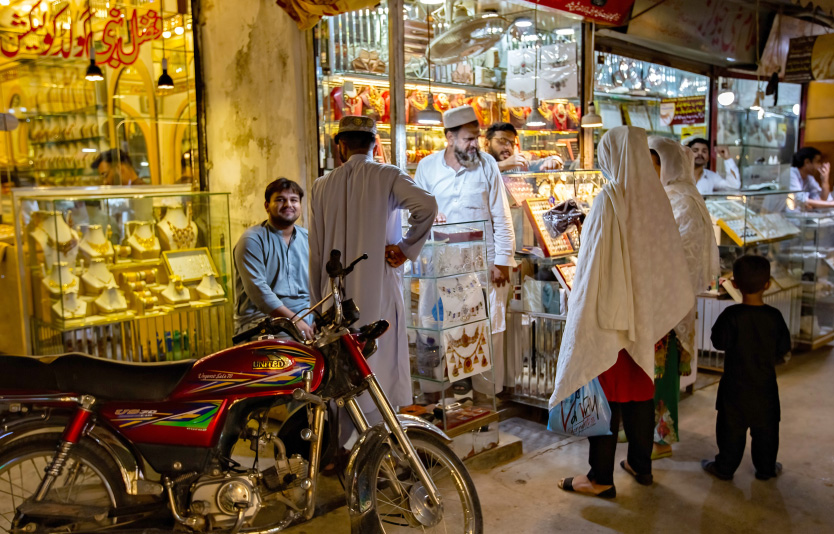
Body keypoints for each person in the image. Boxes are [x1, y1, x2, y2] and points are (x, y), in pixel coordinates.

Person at [551, 126, 693, 498]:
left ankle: (599, 478)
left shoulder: (610, 197)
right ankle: (640, 466)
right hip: (648, 317)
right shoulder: (658, 200)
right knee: (640, 391)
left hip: (612, 318)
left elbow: (592, 261)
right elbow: (668, 262)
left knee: (608, 398)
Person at [309, 115, 437, 424]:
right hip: (378, 290)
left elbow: (314, 252)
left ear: (341, 146)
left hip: (335, 298)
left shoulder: (321, 186)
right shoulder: (387, 175)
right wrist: (405, 249)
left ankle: (345, 447)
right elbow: (428, 206)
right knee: (378, 362)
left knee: (342, 367)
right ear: (375, 144)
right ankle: (380, 443)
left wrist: (318, 303)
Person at [414, 106, 516, 395]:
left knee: (484, 333)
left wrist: (503, 261)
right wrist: (428, 217)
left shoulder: (487, 165)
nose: (476, 144)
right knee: (434, 329)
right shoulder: (428, 167)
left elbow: (501, 216)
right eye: (469, 138)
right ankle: (435, 401)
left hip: (483, 268)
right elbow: (414, 213)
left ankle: (485, 405)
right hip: (440, 268)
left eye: (477, 137)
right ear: (449, 137)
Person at [648, 137, 720, 460]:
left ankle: (661, 439)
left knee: (662, 374)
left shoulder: (684, 201)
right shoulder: (664, 196)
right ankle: (642, 429)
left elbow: (681, 256)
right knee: (648, 371)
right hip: (654, 299)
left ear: (669, 165)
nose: (648, 171)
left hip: (669, 304)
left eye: (653, 164)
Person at [702, 255, 790, 481]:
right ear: (767, 284)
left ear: (736, 284)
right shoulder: (774, 317)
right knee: (767, 431)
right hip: (765, 387)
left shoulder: (731, 316)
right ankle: (766, 469)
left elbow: (718, 342)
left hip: (734, 387)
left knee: (730, 430)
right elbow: (783, 349)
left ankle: (724, 467)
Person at [233, 178, 314, 341]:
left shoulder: (308, 238)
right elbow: (259, 292)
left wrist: (315, 319)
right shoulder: (252, 240)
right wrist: (295, 321)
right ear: (266, 206)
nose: (288, 205)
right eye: (280, 200)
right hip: (262, 322)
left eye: (294, 200)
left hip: (306, 322)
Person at [484, 122, 564, 173]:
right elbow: (478, 171)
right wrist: (502, 165)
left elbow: (554, 159)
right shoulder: (478, 165)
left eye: (512, 143)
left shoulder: (519, 167)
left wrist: (555, 160)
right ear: (487, 144)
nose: (508, 147)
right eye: (502, 141)